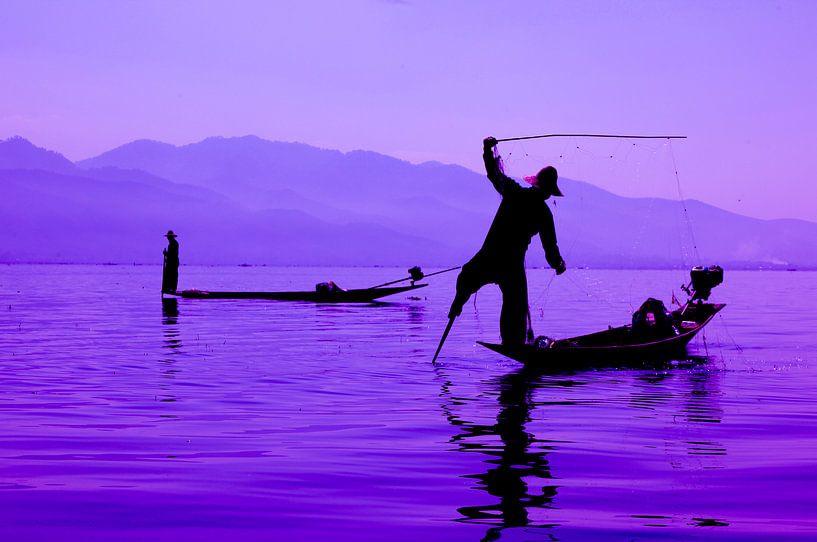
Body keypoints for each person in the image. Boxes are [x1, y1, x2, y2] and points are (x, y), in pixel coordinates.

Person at [448, 137, 566, 345]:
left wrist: (487, 149)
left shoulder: (514, 193)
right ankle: (513, 342)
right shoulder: (542, 212)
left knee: (468, 280)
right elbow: (551, 248)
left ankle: (458, 306)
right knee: (516, 305)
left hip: (492, 257)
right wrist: (558, 265)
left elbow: (494, 174)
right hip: (509, 263)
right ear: (548, 191)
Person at [161, 230, 179, 294]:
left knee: (172, 275)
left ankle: (172, 289)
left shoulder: (174, 243)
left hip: (173, 263)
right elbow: (170, 254)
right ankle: (169, 288)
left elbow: (172, 254)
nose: (168, 238)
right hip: (171, 262)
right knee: (169, 275)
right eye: (168, 237)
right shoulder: (171, 243)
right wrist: (166, 255)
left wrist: (166, 254)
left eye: (169, 237)